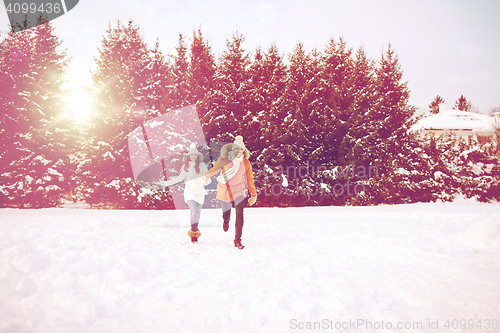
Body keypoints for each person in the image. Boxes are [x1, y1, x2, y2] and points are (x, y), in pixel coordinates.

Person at [203, 136, 257, 249]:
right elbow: (215, 169)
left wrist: (253, 194)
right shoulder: (224, 159)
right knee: (226, 213)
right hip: (225, 190)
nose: (238, 150)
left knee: (240, 215)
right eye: (236, 148)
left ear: (243, 150)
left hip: (238, 191)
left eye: (240, 149)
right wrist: (206, 177)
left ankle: (237, 240)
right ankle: (226, 220)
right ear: (233, 149)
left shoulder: (246, 163)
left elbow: (249, 179)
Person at [165, 146, 209, 243]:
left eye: (195, 155)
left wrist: (205, 181)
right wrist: (167, 182)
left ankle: (195, 231)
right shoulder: (185, 167)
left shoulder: (202, 165)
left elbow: (207, 177)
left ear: (197, 156)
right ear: (189, 156)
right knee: (193, 211)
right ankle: (193, 232)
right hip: (190, 192)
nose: (193, 156)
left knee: (198, 213)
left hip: (200, 192)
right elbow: (179, 178)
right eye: (191, 155)